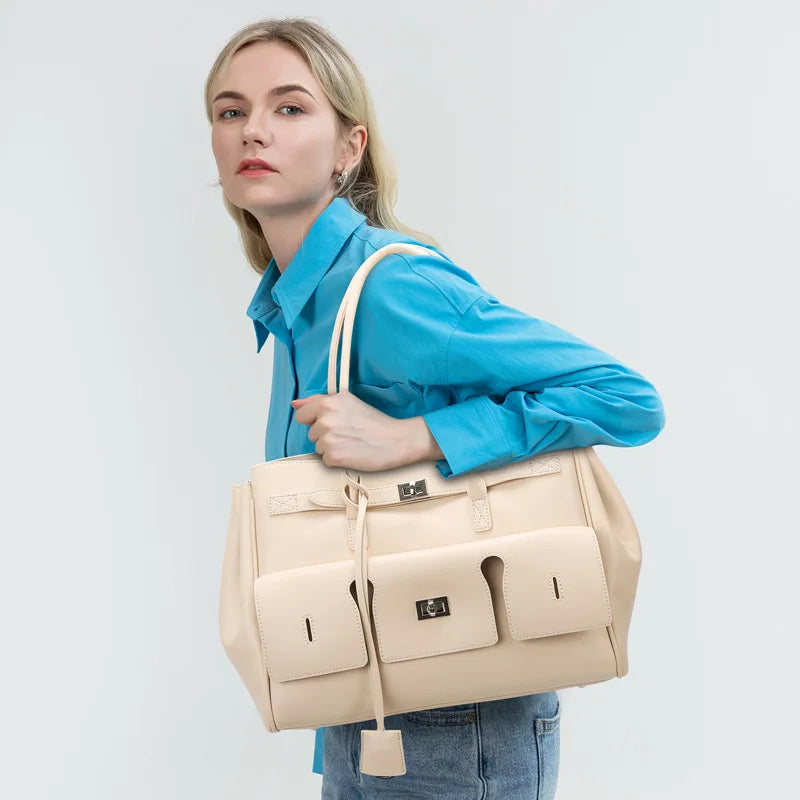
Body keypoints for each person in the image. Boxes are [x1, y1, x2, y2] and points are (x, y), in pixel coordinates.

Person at [206, 16, 666, 800]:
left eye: (289, 108)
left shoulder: (389, 289)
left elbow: (625, 399)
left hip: (456, 711)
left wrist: (415, 437)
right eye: (229, 110)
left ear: (349, 147)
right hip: (367, 697)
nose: (254, 129)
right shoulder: (296, 306)